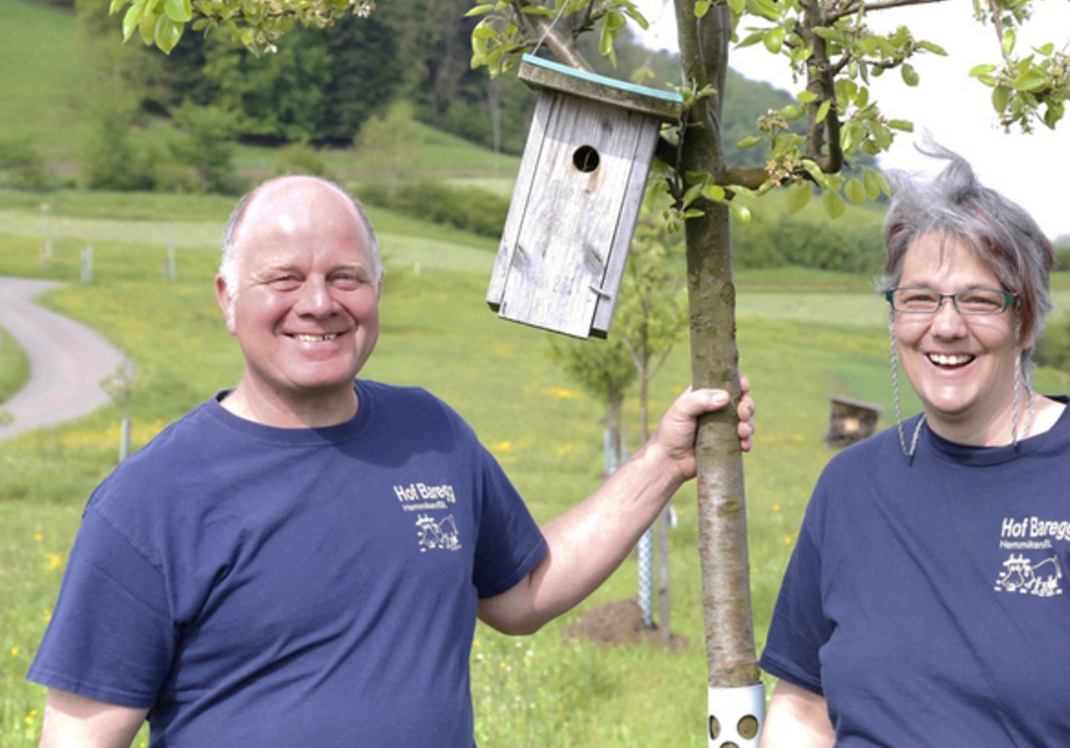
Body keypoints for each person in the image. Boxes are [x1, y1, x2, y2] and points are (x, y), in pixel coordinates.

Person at [28, 174, 753, 747]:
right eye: (284, 278)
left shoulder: (429, 433)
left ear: (375, 291)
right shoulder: (150, 499)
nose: (319, 303)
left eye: (346, 276)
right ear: (227, 297)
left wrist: (664, 461)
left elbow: (524, 593)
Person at [758, 144, 1070, 747]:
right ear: (895, 316)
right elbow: (804, 709)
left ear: (1024, 321)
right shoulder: (850, 486)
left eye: (979, 300)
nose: (946, 326)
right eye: (919, 298)